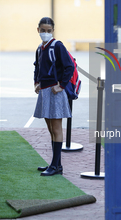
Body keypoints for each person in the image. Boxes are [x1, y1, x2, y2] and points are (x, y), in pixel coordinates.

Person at [33, 17, 75, 176]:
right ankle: (55, 164)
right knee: (51, 128)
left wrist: (61, 85)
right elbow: (37, 66)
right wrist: (36, 82)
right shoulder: (40, 48)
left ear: (53, 31)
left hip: (55, 91)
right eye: (42, 30)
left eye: (48, 31)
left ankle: (56, 166)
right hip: (44, 91)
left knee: (56, 128)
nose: (45, 33)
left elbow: (69, 66)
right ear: (38, 30)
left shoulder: (57, 46)